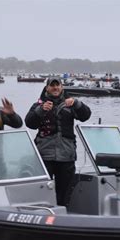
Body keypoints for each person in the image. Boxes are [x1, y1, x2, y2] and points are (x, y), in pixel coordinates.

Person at [25, 77, 91, 206]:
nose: (55, 88)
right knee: (43, 192)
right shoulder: (38, 105)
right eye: (52, 85)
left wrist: (77, 104)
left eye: (58, 85)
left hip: (66, 156)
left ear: (61, 87)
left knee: (64, 193)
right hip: (45, 156)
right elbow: (29, 123)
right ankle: (44, 216)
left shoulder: (70, 104)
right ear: (47, 88)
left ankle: (62, 215)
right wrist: (41, 110)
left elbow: (86, 116)